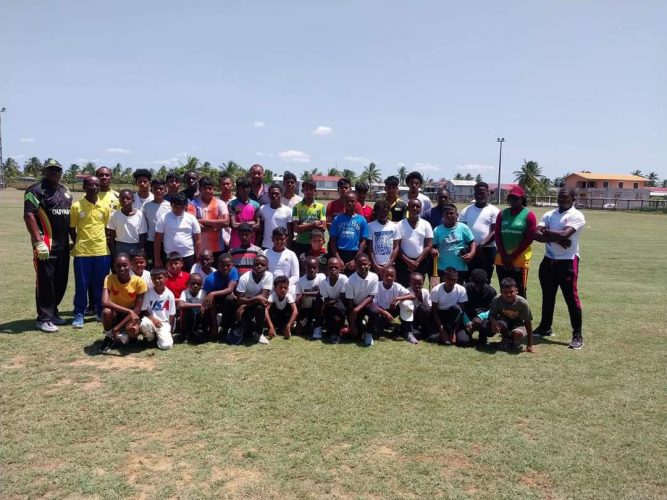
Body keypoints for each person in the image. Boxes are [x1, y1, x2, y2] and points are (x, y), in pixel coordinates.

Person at [533, 187, 586, 350]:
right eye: (560, 197)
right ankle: (545, 327)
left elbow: (565, 235)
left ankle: (577, 335)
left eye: (566, 198)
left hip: (568, 261)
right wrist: (559, 238)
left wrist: (549, 233)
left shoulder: (576, 215)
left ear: (573, 198)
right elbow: (535, 234)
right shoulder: (549, 214)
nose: (562, 200)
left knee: (571, 299)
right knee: (548, 296)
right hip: (549, 260)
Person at [23, 159, 73, 333]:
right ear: (44, 172)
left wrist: (73, 239)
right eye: (50, 170)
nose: (54, 172)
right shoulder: (35, 190)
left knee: (61, 281)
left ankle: (53, 313)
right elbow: (29, 215)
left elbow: (69, 218)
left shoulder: (65, 191)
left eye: (57, 170)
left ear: (61, 172)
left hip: (63, 246)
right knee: (46, 282)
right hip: (46, 245)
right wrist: (38, 241)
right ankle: (43, 318)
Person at [69, 175, 112, 327]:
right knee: (82, 284)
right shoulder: (76, 206)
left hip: (102, 251)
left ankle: (100, 311)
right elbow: (72, 229)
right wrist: (78, 242)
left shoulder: (105, 207)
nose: (94, 187)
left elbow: (107, 228)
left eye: (96, 185)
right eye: (90, 184)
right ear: (84, 187)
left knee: (100, 284)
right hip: (82, 252)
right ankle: (79, 314)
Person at [99, 253, 148, 353]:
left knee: (133, 330)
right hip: (117, 312)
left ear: (130, 265)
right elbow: (104, 302)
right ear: (114, 267)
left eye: (125, 265)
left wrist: (117, 327)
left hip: (132, 315)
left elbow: (137, 310)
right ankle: (109, 337)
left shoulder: (139, 282)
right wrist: (129, 310)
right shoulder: (109, 278)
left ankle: (131, 337)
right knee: (106, 311)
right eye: (118, 266)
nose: (122, 268)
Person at [494, 186, 536, 298]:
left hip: (519, 260)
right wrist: (504, 255)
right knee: (504, 291)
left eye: (516, 198)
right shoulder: (502, 214)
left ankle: (520, 315)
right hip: (502, 259)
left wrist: (513, 256)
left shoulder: (529, 215)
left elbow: (529, 239)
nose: (513, 200)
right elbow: (497, 235)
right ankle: (505, 315)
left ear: (522, 199)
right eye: (511, 198)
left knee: (519, 291)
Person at [458, 182, 500, 282]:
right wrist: (472, 247)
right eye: (477, 193)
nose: (480, 195)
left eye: (482, 193)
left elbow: (494, 232)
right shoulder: (466, 210)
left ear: (488, 193)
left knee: (485, 280)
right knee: (468, 280)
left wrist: (480, 245)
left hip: (487, 250)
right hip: (469, 250)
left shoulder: (494, 210)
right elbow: (462, 229)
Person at [369, 266, 418, 344]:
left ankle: (408, 332)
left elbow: (412, 296)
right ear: (382, 276)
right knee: (377, 331)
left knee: (407, 303)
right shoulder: (377, 285)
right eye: (386, 275)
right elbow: (373, 304)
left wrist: (397, 299)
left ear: (395, 277)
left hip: (393, 309)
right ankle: (381, 326)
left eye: (392, 276)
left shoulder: (397, 286)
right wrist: (385, 313)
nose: (389, 278)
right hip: (380, 312)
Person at [154, 192, 201, 270]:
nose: (179, 210)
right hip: (169, 257)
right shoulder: (164, 218)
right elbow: (157, 240)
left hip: (188, 256)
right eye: (175, 207)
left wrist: (198, 257)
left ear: (186, 206)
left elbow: (198, 239)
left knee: (188, 279)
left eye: (182, 207)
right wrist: (157, 259)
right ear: (171, 205)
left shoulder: (191, 218)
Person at [431, 204, 477, 284]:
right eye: (446, 214)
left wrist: (471, 253)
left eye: (452, 213)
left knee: (458, 291)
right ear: (442, 216)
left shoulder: (463, 227)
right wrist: (433, 250)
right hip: (442, 268)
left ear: (457, 215)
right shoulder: (437, 230)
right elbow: (433, 246)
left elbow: (472, 242)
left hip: (460, 268)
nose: (449, 216)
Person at [234, 255, 273, 345]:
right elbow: (239, 299)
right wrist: (256, 298)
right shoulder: (244, 278)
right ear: (252, 266)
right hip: (243, 306)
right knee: (246, 334)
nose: (259, 266)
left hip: (250, 305)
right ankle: (238, 325)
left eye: (262, 265)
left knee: (260, 307)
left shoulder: (269, 275)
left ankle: (259, 333)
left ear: (267, 267)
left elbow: (263, 298)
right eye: (256, 264)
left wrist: (245, 305)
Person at [489, 277, 534, 352]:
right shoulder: (496, 300)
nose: (508, 294)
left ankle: (514, 341)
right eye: (505, 292)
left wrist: (530, 345)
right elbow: (492, 314)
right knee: (499, 324)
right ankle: (506, 338)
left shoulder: (523, 303)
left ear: (516, 291)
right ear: (501, 291)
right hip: (504, 322)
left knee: (517, 334)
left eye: (511, 291)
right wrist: (493, 321)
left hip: (518, 324)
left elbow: (528, 323)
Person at [187, 176, 228, 258]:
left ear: (214, 189)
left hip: (218, 248)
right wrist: (215, 227)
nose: (207, 191)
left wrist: (200, 220)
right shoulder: (193, 204)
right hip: (200, 249)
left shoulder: (220, 203)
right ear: (200, 189)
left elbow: (226, 222)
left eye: (210, 188)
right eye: (204, 188)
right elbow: (193, 225)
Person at [330, 192, 369, 274]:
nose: (350, 203)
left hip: (354, 253)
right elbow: (333, 240)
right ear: (344, 202)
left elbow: (363, 241)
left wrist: (355, 259)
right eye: (347, 201)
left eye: (352, 201)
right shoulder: (337, 219)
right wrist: (338, 259)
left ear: (357, 202)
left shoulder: (362, 220)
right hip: (340, 253)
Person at [396, 199, 433, 286]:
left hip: (420, 263)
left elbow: (429, 245)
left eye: (418, 206)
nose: (415, 208)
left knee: (417, 288)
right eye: (412, 206)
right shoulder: (400, 224)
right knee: (403, 288)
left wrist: (417, 261)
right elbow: (397, 246)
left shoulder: (426, 224)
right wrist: (408, 261)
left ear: (421, 209)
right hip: (403, 263)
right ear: (408, 208)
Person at [203, 253, 239, 340]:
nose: (225, 268)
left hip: (228, 300)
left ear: (232, 265)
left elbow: (230, 289)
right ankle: (211, 327)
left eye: (228, 265)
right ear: (217, 265)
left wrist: (213, 293)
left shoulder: (233, 271)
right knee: (206, 308)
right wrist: (215, 327)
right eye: (222, 265)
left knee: (230, 298)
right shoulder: (210, 280)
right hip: (215, 303)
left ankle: (226, 328)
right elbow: (211, 303)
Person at [345, 254, 379, 346]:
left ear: (369, 264)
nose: (363, 267)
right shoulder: (349, 281)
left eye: (365, 264)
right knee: (356, 336)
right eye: (359, 265)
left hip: (366, 304)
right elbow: (350, 301)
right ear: (355, 266)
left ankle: (368, 333)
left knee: (375, 311)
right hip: (354, 306)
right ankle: (361, 323)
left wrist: (357, 310)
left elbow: (371, 296)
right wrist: (352, 314)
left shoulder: (374, 277)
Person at [429, 267, 469, 346]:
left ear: (457, 279)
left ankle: (451, 333)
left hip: (454, 318)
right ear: (444, 278)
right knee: (432, 338)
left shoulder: (461, 290)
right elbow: (435, 312)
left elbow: (461, 312)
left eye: (453, 280)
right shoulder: (436, 290)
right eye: (448, 279)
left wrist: (454, 332)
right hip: (440, 316)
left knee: (464, 341)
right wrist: (442, 330)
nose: (451, 282)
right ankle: (444, 333)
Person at [139, 267, 176, 350]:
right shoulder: (148, 293)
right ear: (151, 280)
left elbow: (172, 315)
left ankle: (159, 337)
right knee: (144, 324)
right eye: (154, 279)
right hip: (151, 320)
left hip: (163, 322)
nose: (157, 281)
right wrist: (153, 319)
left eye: (159, 278)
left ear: (166, 278)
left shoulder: (169, 295)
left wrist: (170, 331)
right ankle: (150, 338)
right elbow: (144, 310)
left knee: (167, 346)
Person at [107, 188, 148, 258]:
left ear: (133, 200)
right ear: (119, 200)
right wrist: (114, 254)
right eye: (122, 199)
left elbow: (142, 235)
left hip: (135, 246)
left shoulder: (140, 214)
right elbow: (111, 237)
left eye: (128, 198)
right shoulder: (114, 214)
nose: (125, 201)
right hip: (120, 247)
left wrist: (141, 250)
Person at [291, 179, 326, 257]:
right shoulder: (297, 207)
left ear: (315, 190)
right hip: (301, 243)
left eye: (311, 189)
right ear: (302, 190)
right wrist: (314, 224)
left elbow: (323, 227)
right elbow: (296, 229)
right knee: (302, 266)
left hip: (316, 244)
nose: (308, 192)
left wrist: (303, 225)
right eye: (306, 189)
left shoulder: (320, 207)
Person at [462, 269, 497, 346]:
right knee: (463, 341)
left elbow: (493, 309)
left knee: (485, 325)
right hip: (468, 317)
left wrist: (481, 317)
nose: (478, 286)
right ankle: (468, 335)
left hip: (484, 318)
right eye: (475, 284)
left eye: (481, 284)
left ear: (486, 281)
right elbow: (461, 308)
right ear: (471, 280)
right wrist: (466, 320)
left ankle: (482, 337)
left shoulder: (491, 292)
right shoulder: (464, 289)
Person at [367, 199, 401, 277]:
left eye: (385, 211)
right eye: (380, 211)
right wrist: (374, 264)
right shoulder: (370, 226)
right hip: (375, 265)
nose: (383, 214)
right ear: (375, 211)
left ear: (389, 211)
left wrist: (390, 263)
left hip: (390, 265)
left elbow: (396, 247)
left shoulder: (394, 226)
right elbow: (370, 247)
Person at [319, 257, 349, 343]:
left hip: (341, 305)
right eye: (331, 267)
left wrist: (328, 303)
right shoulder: (323, 283)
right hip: (330, 306)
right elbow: (326, 299)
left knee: (339, 308)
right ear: (326, 269)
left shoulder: (344, 278)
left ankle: (338, 331)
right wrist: (326, 304)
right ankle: (329, 329)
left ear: (340, 269)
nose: (333, 269)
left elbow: (342, 297)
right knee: (331, 311)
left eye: (336, 267)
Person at [263, 227, 300, 296]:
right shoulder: (265, 253)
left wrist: (283, 286)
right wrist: (273, 287)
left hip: (286, 287)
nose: (279, 241)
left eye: (282, 239)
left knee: (294, 290)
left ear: (286, 239)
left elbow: (296, 276)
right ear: (272, 239)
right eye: (277, 239)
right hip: (269, 287)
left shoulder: (291, 254)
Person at [295, 256, 326, 338]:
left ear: (318, 268)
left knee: (318, 300)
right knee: (300, 330)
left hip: (320, 308)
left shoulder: (321, 277)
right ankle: (307, 324)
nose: (312, 270)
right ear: (305, 269)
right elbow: (298, 299)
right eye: (309, 268)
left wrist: (306, 294)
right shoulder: (300, 281)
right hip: (306, 308)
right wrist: (298, 320)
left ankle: (317, 327)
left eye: (314, 267)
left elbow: (322, 293)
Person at [143, 179, 171, 268]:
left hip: (166, 242)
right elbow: (145, 224)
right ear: (152, 190)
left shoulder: (170, 206)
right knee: (153, 266)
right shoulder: (147, 206)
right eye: (155, 188)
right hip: (151, 241)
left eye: (161, 188)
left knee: (166, 266)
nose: (158, 191)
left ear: (165, 190)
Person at [228, 177, 261, 248]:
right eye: (242, 187)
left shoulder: (256, 205)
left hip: (250, 242)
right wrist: (251, 223)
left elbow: (258, 225)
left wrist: (239, 224)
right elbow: (233, 225)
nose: (245, 190)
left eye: (247, 187)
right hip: (235, 242)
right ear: (238, 189)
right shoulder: (232, 204)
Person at [258, 183, 293, 249]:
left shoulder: (288, 210)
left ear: (281, 194)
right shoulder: (263, 209)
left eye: (277, 193)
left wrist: (288, 248)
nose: (274, 195)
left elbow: (290, 233)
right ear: (268, 195)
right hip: (266, 246)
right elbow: (261, 230)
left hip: (282, 247)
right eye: (272, 193)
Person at [265, 275, 298, 339]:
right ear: (275, 289)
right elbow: (265, 310)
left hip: (285, 318)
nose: (283, 290)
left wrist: (288, 325)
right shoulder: (272, 296)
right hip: (275, 318)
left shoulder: (288, 296)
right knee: (270, 307)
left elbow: (295, 311)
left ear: (288, 289)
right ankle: (272, 327)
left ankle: (286, 328)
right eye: (280, 287)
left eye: (285, 288)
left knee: (287, 333)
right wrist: (271, 326)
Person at [176, 273, 206, 344]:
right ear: (188, 283)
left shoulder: (204, 293)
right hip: (188, 319)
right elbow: (181, 305)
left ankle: (199, 331)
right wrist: (199, 305)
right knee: (187, 310)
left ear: (202, 285)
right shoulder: (185, 292)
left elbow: (206, 307)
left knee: (199, 339)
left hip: (200, 318)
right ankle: (185, 333)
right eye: (193, 283)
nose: (195, 286)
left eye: (198, 284)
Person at [409, 272, 433, 339]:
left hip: (422, 317)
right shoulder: (407, 292)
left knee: (422, 307)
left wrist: (420, 299)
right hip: (411, 317)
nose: (417, 286)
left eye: (420, 284)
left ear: (423, 283)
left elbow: (429, 308)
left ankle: (424, 327)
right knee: (417, 334)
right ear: (410, 283)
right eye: (414, 284)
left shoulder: (425, 292)